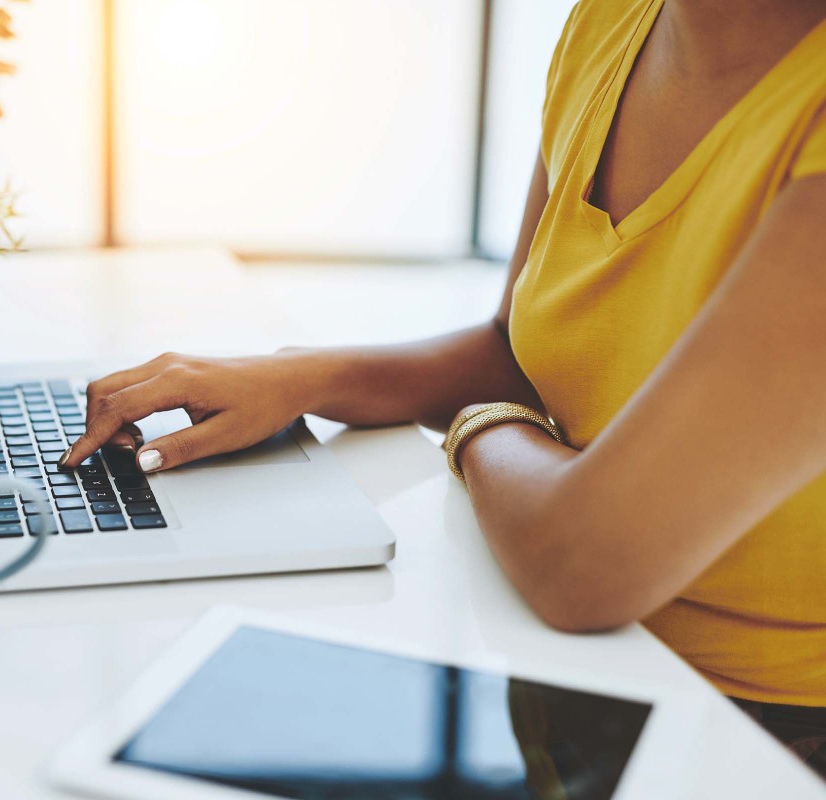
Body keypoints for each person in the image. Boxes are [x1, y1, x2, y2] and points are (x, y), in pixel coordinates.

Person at [62, 0, 826, 775]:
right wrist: (298, 376)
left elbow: (581, 565)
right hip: (556, 654)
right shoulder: (613, 20)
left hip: (758, 735)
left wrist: (482, 424)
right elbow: (515, 351)